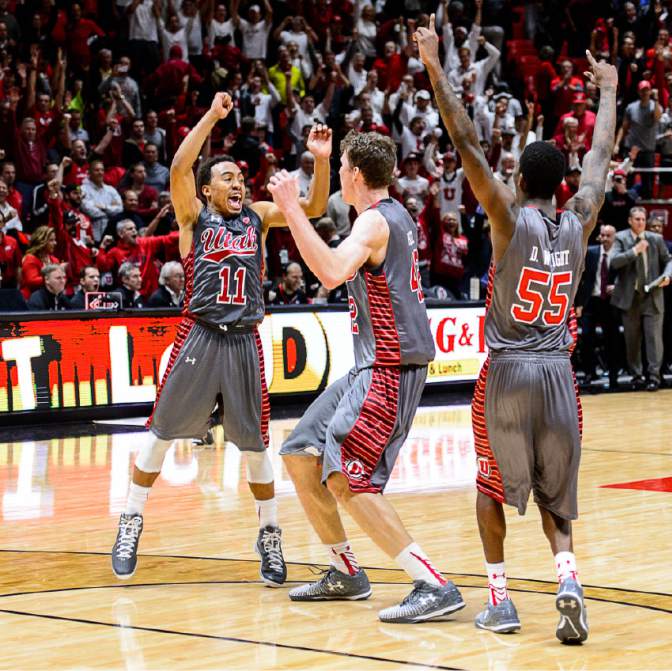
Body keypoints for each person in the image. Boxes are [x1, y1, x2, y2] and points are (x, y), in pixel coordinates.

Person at [420, 13, 617, 641]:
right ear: (560, 185)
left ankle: (500, 599)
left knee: (489, 486)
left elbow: (466, 142)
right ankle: (567, 578)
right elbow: (601, 154)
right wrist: (608, 91)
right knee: (556, 493)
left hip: (506, 374)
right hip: (560, 374)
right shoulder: (581, 217)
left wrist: (431, 63)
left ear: (522, 181)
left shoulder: (507, 217)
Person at [109, 93, 330, 587]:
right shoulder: (193, 218)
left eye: (240, 177)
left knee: (255, 448)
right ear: (206, 191)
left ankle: (269, 535)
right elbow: (180, 166)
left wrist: (321, 159)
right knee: (160, 437)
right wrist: (211, 115)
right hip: (199, 335)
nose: (238, 183)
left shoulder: (259, 216)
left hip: (245, 340)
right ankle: (131, 520)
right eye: (227, 177)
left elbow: (313, 207)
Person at [273, 128, 464, 623]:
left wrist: (292, 208)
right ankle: (345, 572)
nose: (337, 174)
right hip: (370, 365)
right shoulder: (388, 216)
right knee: (299, 453)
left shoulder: (375, 224)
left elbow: (332, 272)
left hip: (390, 367)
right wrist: (318, 162)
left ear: (356, 175)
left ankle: (433, 583)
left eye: (339, 167)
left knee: (349, 479)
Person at [611, 207, 672, 391]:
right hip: (630, 297)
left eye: (643, 219)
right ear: (630, 221)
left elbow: (669, 261)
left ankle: (654, 377)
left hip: (652, 295)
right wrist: (635, 251)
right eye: (637, 219)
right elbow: (614, 262)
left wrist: (668, 276)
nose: (641, 222)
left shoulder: (655, 239)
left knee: (654, 339)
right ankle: (636, 375)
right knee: (632, 340)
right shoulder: (621, 238)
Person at [575, 224, 622, 390]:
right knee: (587, 338)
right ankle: (589, 374)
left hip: (611, 303)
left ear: (614, 237)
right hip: (591, 301)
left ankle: (614, 377)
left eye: (608, 235)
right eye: (602, 235)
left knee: (612, 341)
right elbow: (582, 279)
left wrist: (618, 287)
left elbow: (627, 278)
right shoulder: (592, 252)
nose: (605, 238)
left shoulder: (620, 255)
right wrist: (579, 303)